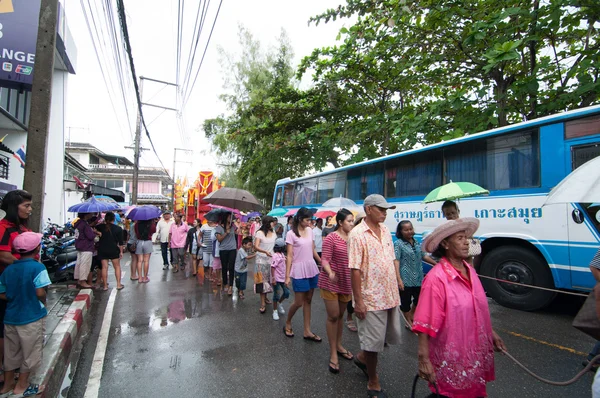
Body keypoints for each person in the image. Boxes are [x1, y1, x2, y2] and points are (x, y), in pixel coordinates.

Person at [414, 218, 507, 398]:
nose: (467, 242)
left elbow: (475, 309)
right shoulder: (436, 279)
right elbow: (425, 323)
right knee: (450, 392)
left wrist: (490, 333)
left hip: (473, 350)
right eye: (460, 238)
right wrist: (423, 359)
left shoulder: (470, 270)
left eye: (467, 238)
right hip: (453, 355)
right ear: (445, 244)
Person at [348, 194, 401, 397]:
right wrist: (358, 302)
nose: (385, 213)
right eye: (381, 209)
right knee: (372, 343)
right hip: (370, 298)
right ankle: (372, 379)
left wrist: (397, 279)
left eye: (386, 209)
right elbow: (354, 270)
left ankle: (362, 358)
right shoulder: (357, 234)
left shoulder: (386, 230)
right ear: (368, 209)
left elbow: (391, 258)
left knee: (382, 339)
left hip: (389, 295)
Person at [0, 232, 51, 397]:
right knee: (31, 352)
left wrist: (13, 297)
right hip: (31, 317)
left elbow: (2, 293)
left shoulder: (9, 269)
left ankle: (7, 385)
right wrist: (43, 301)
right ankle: (22, 386)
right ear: (37, 248)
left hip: (10, 318)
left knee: (11, 352)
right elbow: (40, 292)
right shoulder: (38, 267)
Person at [0, 189, 33, 382]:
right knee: (5, 329)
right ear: (14, 207)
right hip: (9, 283)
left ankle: (16, 366)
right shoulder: (4, 228)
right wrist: (25, 268)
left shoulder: (23, 228)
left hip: (24, 284)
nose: (30, 210)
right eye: (26, 206)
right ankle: (5, 369)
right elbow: (3, 254)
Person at [319, 209, 355, 374]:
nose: (352, 224)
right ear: (340, 222)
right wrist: (330, 272)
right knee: (333, 316)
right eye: (349, 221)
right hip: (330, 281)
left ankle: (339, 345)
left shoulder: (354, 238)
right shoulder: (331, 238)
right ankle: (333, 352)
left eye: (352, 221)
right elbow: (324, 258)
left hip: (347, 282)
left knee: (340, 315)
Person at [283, 207, 321, 342]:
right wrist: (287, 276)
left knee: (309, 300)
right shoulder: (291, 234)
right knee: (299, 302)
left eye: (311, 219)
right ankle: (288, 322)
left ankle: (307, 331)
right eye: (307, 220)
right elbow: (289, 255)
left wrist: (322, 262)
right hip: (298, 269)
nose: (310, 222)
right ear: (299, 219)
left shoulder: (310, 231)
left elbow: (312, 249)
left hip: (311, 267)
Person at [394, 220, 436, 328]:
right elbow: (396, 261)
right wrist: (398, 279)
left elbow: (424, 256)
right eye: (406, 230)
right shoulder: (398, 244)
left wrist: (436, 264)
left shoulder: (416, 242)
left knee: (419, 299)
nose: (409, 231)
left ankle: (412, 315)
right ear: (401, 231)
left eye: (410, 229)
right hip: (405, 279)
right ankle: (408, 321)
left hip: (418, 278)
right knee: (405, 302)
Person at [345, 213, 365, 333]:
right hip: (354, 270)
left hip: (368, 274)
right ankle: (349, 316)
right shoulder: (353, 235)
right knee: (353, 294)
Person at [95, 212, 125, 291]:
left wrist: (98, 232)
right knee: (117, 267)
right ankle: (118, 284)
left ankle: (105, 286)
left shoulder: (100, 227)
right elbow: (121, 242)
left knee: (104, 268)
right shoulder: (118, 229)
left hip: (102, 249)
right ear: (114, 219)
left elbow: (93, 228)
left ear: (105, 219)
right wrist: (121, 252)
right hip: (113, 250)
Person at [254, 216, 277, 313]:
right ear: (268, 223)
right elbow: (256, 246)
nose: (274, 223)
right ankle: (262, 303)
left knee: (268, 281)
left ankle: (266, 297)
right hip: (261, 260)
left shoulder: (274, 231)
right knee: (261, 282)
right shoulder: (260, 233)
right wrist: (265, 252)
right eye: (272, 222)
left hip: (271, 260)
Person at [74, 213, 101, 288]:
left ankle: (79, 280)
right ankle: (83, 281)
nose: (91, 215)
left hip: (79, 245)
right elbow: (90, 236)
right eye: (90, 214)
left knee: (79, 263)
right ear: (86, 215)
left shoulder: (77, 223)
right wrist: (94, 232)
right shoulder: (85, 225)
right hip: (86, 246)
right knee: (85, 264)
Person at [215, 212, 239, 295]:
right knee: (224, 267)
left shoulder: (233, 226)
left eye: (231, 217)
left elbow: (237, 233)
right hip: (223, 249)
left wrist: (237, 231)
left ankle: (231, 286)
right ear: (225, 217)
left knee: (231, 267)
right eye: (229, 217)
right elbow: (219, 239)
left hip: (232, 249)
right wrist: (226, 232)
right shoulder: (219, 228)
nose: (231, 218)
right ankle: (225, 283)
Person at [270, 238, 289, 320]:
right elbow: (272, 267)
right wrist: (273, 278)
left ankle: (279, 303)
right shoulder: (275, 256)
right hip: (277, 279)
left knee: (287, 293)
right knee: (276, 294)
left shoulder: (281, 255)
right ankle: (274, 311)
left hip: (283, 278)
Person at [135, 219, 156, 283]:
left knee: (139, 261)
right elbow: (154, 231)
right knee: (146, 261)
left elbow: (136, 232)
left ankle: (140, 278)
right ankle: (145, 278)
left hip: (139, 242)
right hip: (148, 242)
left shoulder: (136, 224)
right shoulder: (152, 225)